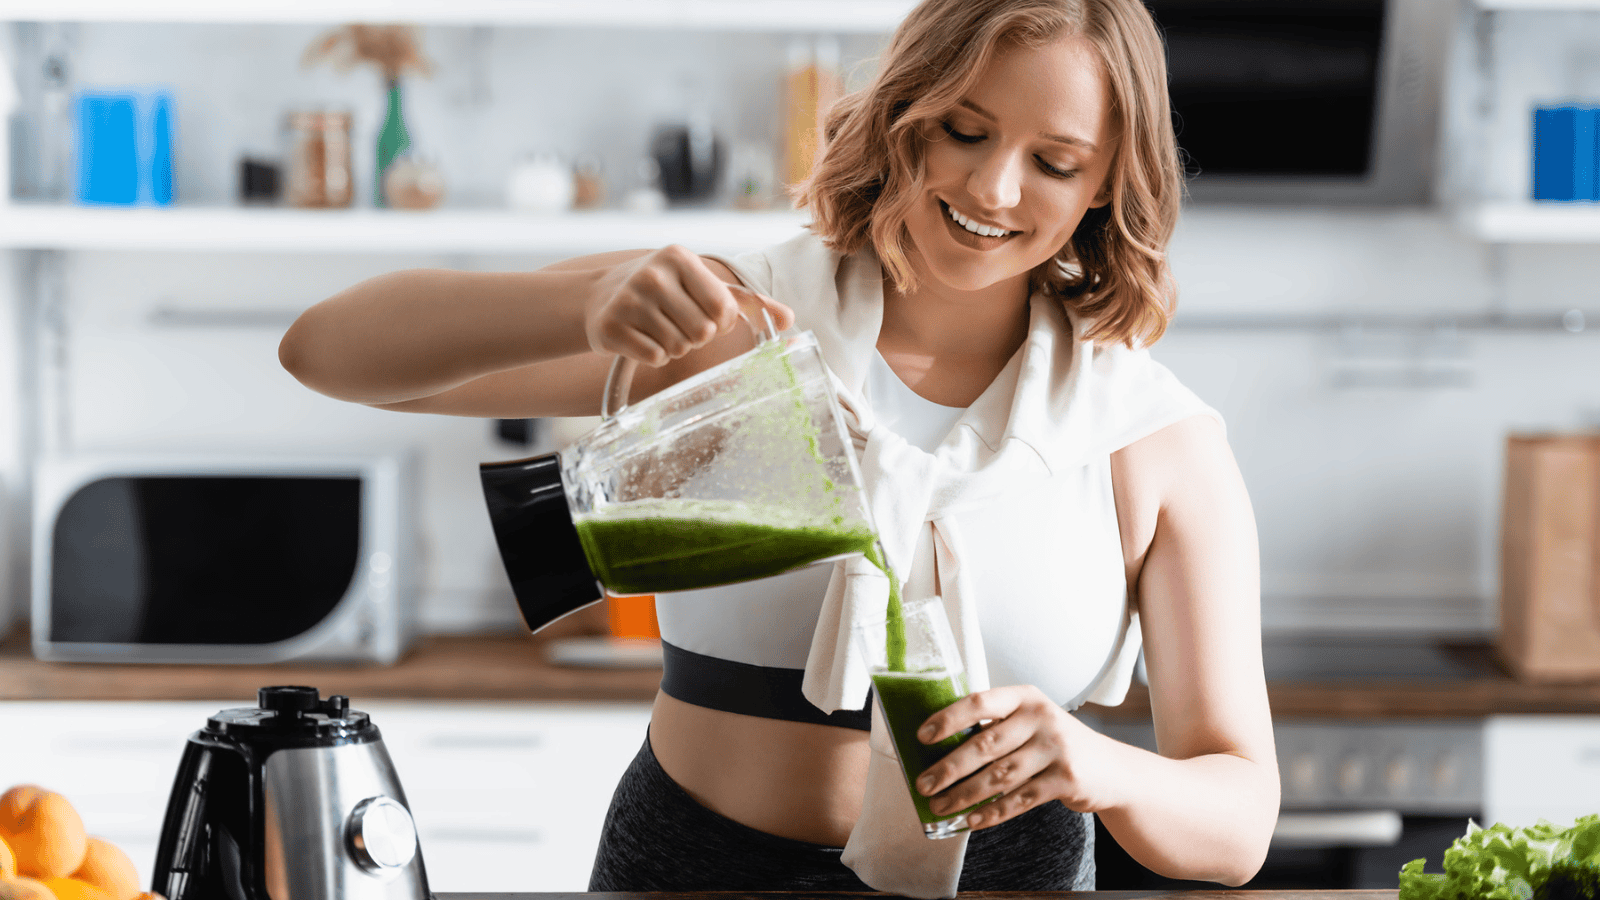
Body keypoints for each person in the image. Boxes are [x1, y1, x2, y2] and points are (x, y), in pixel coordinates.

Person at [278, 0, 1279, 894]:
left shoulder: (1150, 439)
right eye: (962, 132)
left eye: (1054, 162)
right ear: (901, 117)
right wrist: (579, 304)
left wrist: (1097, 766)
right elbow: (323, 351)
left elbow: (1237, 824)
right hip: (694, 865)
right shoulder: (729, 325)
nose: (994, 186)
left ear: (1108, 182)